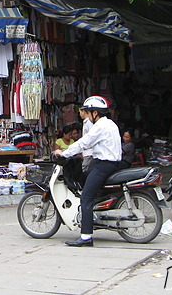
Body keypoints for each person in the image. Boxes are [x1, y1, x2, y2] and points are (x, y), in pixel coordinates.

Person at [54, 95, 122, 248]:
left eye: (88, 112)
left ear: (95, 113)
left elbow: (84, 142)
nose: (86, 114)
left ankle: (86, 237)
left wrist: (64, 153)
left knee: (86, 197)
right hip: (108, 164)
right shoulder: (110, 124)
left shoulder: (100, 126)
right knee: (83, 180)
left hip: (104, 165)